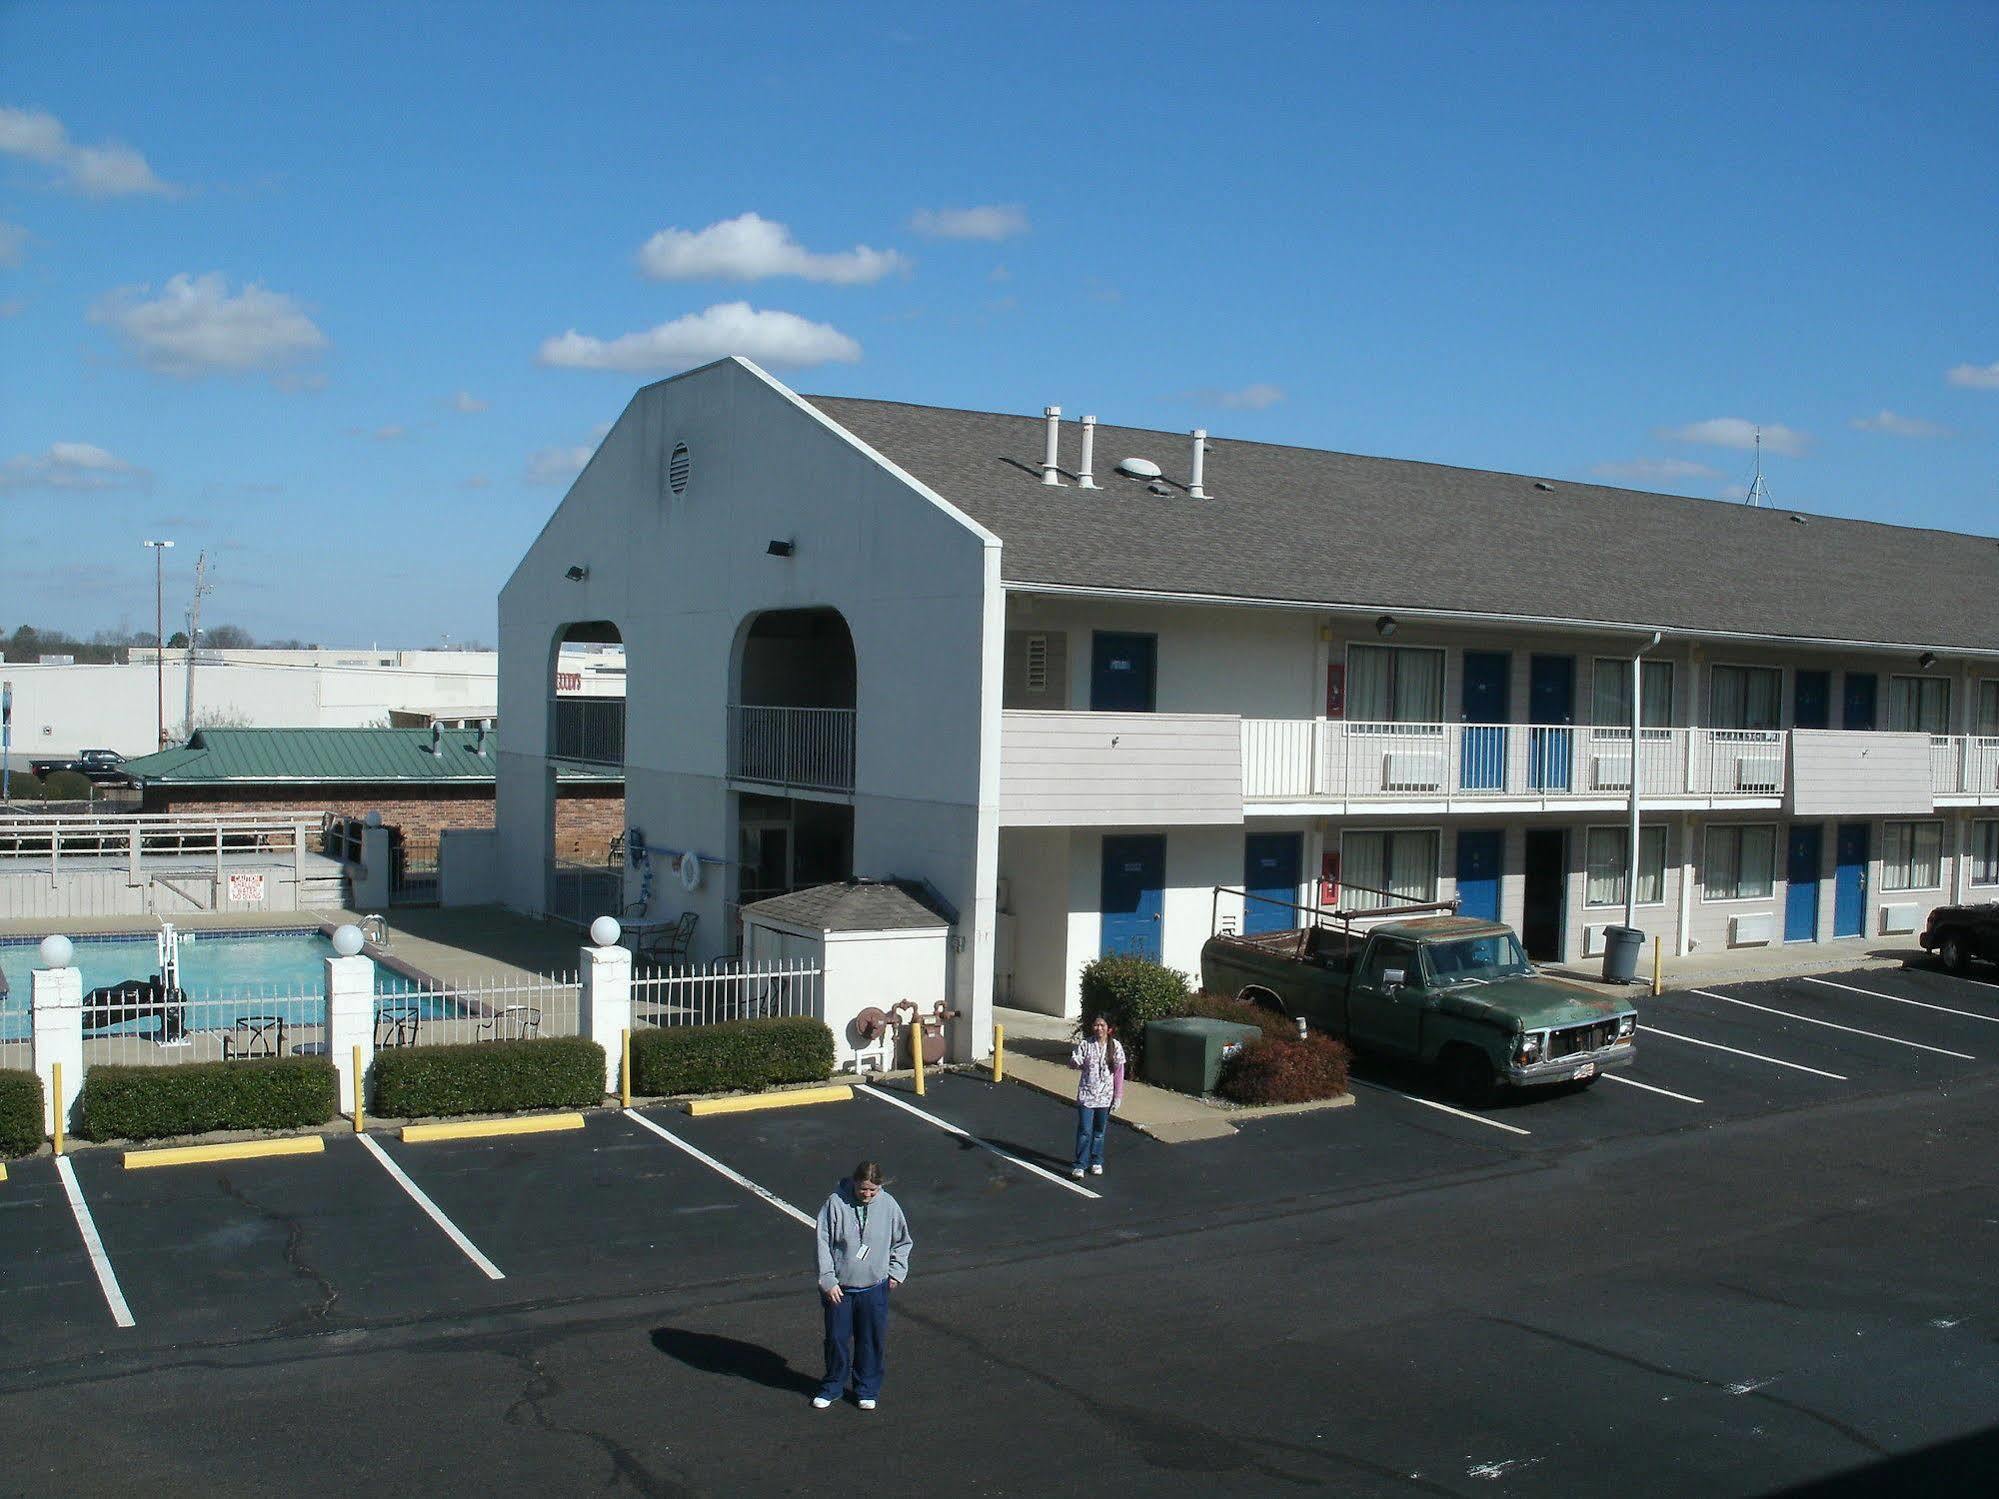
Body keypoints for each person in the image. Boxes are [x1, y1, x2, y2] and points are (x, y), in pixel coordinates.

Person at [812, 1160, 912, 1410]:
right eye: (862, 1189)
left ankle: (867, 1389)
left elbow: (902, 1241)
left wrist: (896, 1272)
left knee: (870, 1340)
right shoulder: (835, 1203)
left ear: (880, 1186)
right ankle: (832, 1386)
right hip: (840, 1290)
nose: (866, 1194)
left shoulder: (888, 1205)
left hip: (874, 1288)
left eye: (872, 1190)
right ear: (854, 1183)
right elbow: (822, 1243)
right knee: (836, 1339)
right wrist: (828, 1279)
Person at [1070, 1015, 1126, 1178]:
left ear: (1109, 1028)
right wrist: (1075, 1060)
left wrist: (1118, 1096)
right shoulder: (1085, 1044)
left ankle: (1096, 1160)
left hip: (1105, 1097)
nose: (1098, 1028)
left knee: (1099, 1131)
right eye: (1096, 1025)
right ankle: (1080, 1164)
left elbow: (1118, 1073)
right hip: (1087, 1095)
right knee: (1085, 1130)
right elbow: (1075, 1064)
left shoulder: (1115, 1046)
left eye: (1102, 1025)